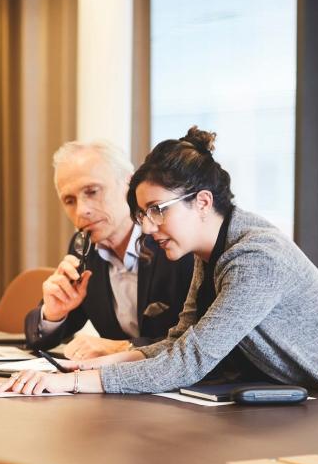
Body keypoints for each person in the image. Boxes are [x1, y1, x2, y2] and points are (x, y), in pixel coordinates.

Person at [3, 127, 318, 400]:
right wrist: (82, 371)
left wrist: (75, 385)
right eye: (143, 214)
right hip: (306, 407)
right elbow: (178, 341)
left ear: (202, 202)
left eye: (157, 210)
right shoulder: (211, 252)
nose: (149, 226)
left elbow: (191, 359)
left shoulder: (256, 256)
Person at [25, 140, 193, 360]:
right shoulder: (83, 250)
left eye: (92, 192)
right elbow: (39, 338)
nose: (82, 211)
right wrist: (53, 314)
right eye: (69, 200)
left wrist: (123, 348)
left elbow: (201, 341)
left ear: (130, 186)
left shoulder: (174, 241)